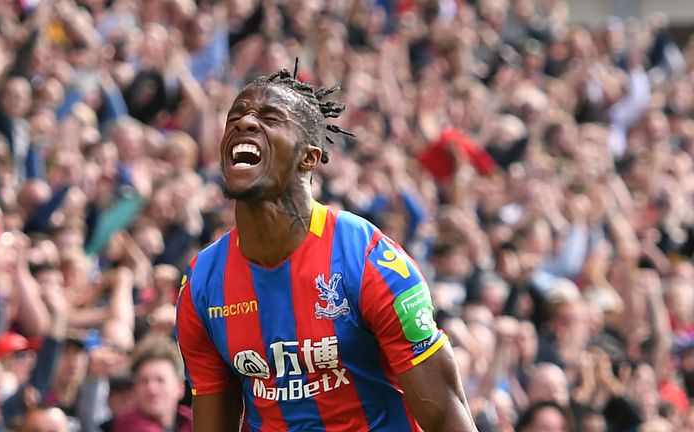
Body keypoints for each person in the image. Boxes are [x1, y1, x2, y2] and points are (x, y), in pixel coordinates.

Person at [175, 66, 477, 431]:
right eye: (235, 118)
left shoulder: (368, 260)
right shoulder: (202, 285)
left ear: (309, 157)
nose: (245, 123)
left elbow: (446, 416)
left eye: (270, 118)